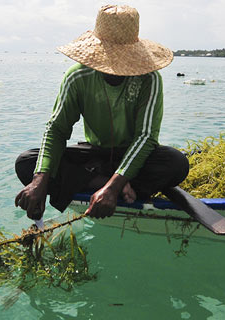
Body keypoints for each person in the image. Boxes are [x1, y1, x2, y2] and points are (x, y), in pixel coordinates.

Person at [15, 4, 189, 221]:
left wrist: (114, 186)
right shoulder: (77, 77)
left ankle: (112, 185)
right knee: (26, 163)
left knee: (176, 163)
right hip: (95, 156)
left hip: (134, 155)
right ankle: (107, 185)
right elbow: (57, 130)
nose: (112, 70)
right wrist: (39, 181)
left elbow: (145, 137)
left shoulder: (148, 79)